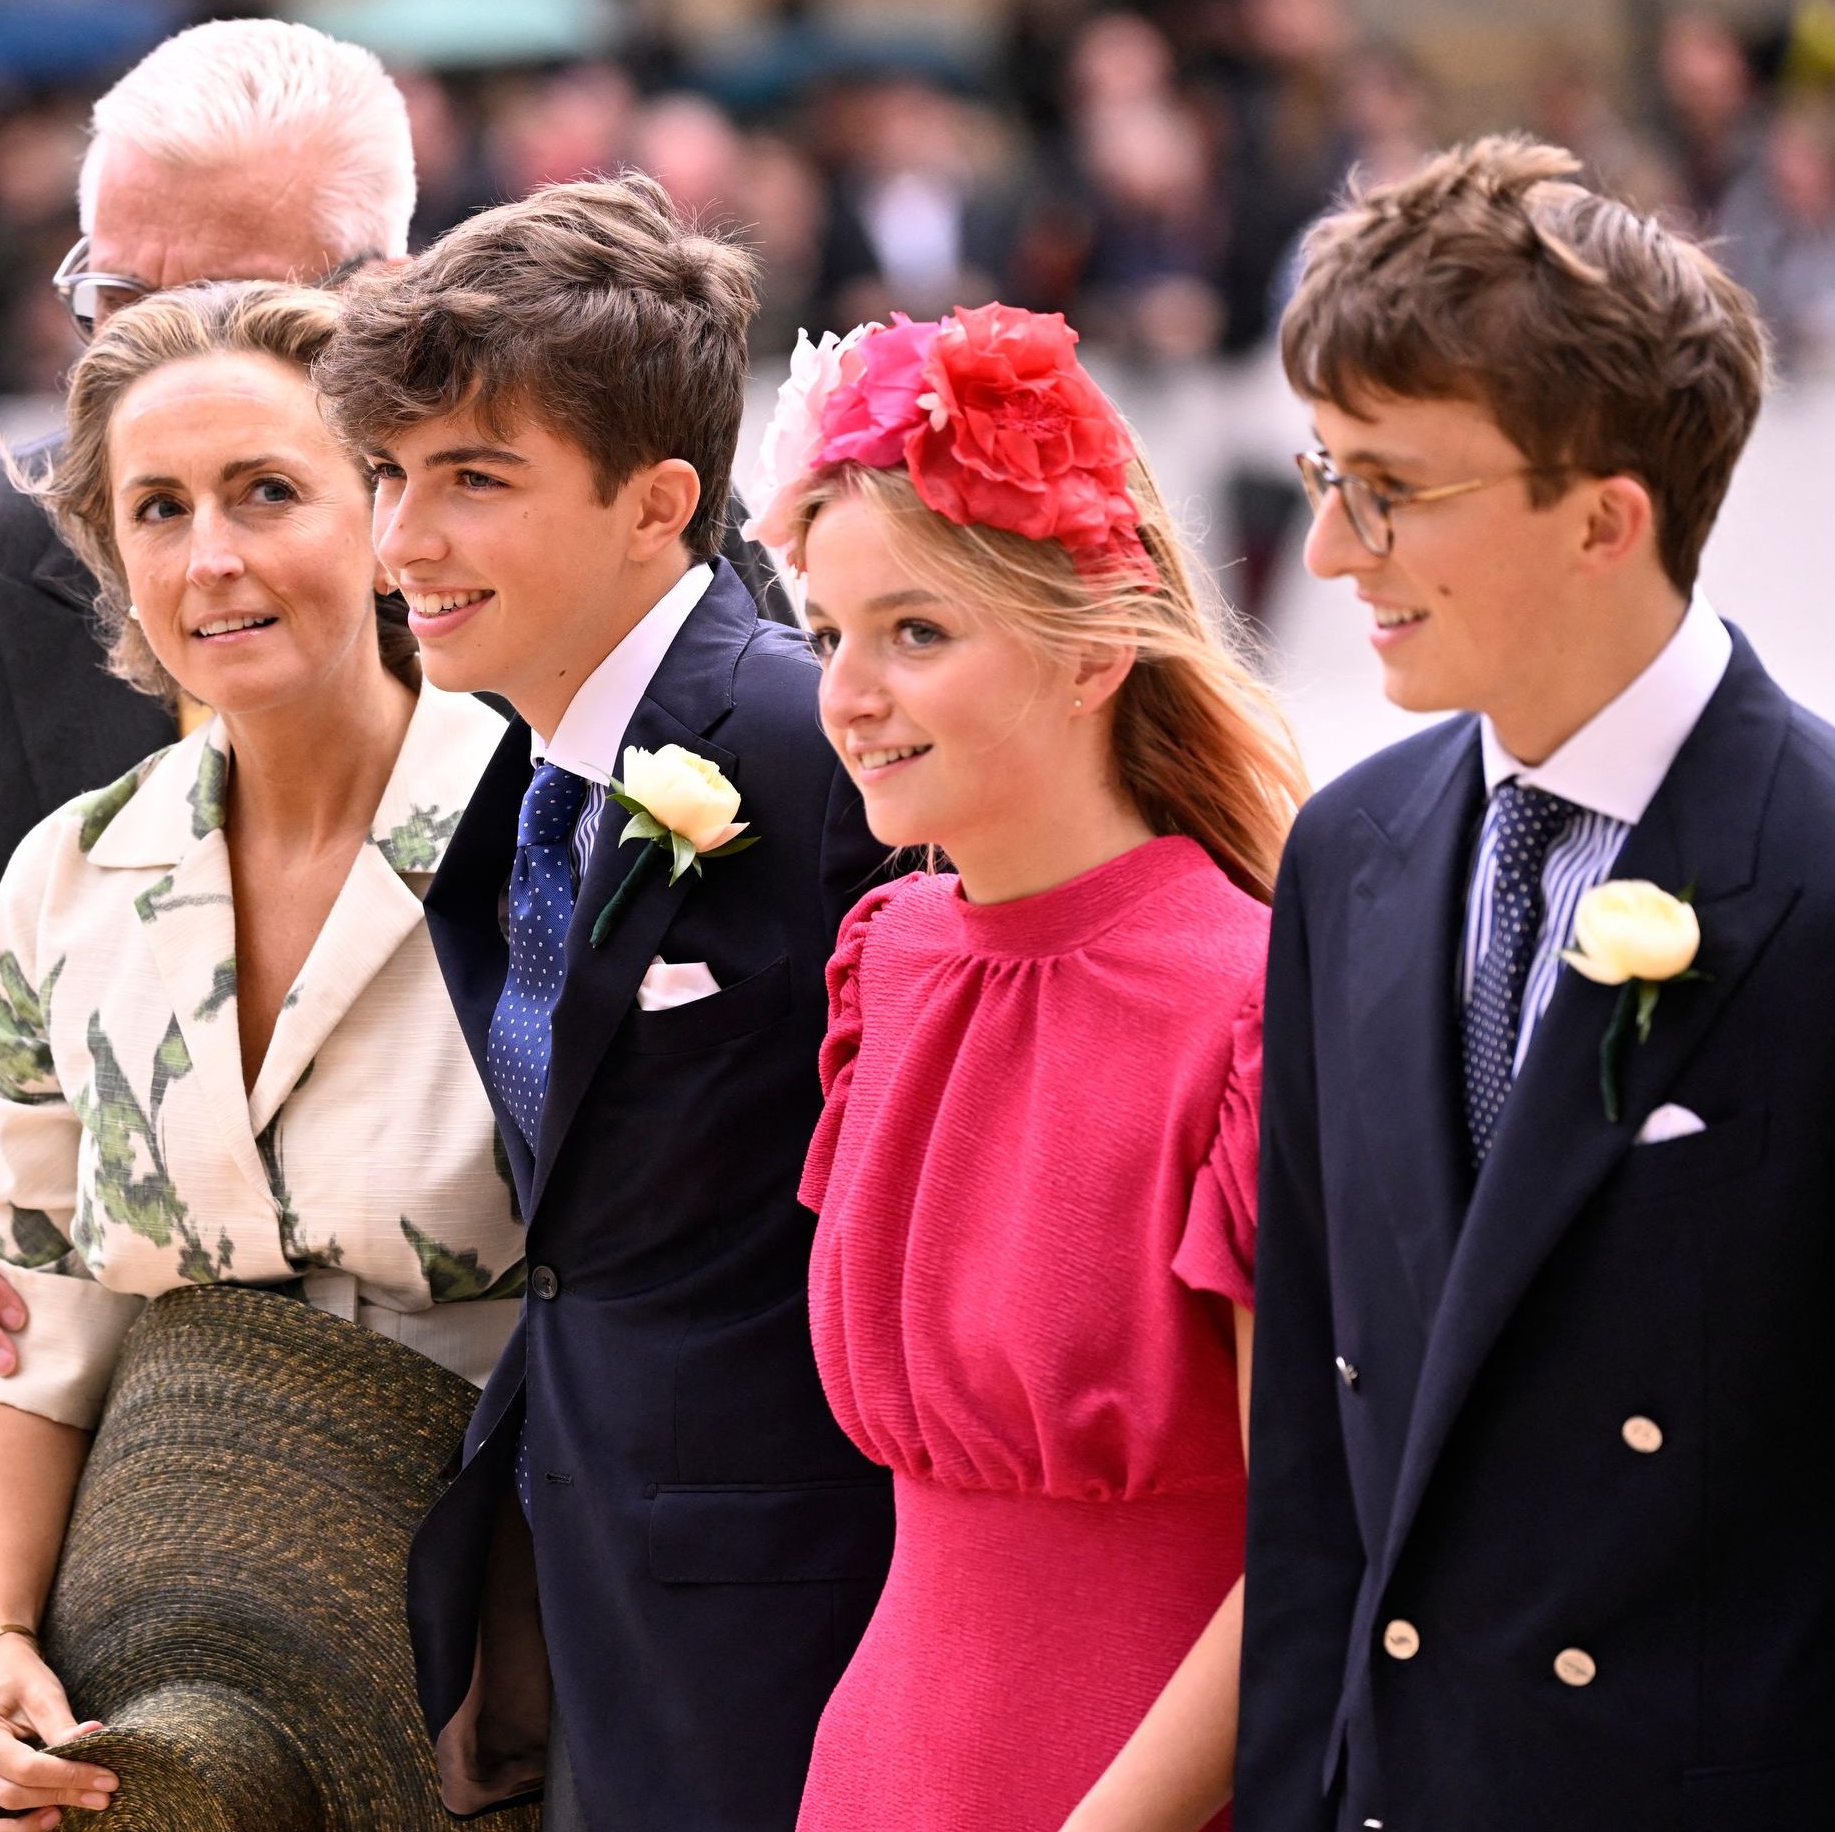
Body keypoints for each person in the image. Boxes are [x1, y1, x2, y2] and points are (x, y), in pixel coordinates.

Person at [0, 16, 419, 1720]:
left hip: (459, 1481)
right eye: (120, 305)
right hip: (73, 1487)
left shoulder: (509, 559)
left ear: (392, 290)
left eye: (242, 304)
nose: (169, 358)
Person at [1236, 138, 1829, 1830]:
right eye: (1322, 472)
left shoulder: (1823, 865)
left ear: (1605, 520)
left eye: (1393, 490)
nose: (1336, 554)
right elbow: (1312, 1477)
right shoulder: (1346, 855)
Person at [318, 173, 894, 1832]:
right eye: (392, 476)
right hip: (585, 1590)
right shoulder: (515, 778)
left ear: (659, 505)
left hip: (804, 1610)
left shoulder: (817, 749)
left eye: (472, 481)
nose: (399, 541)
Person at [0, 280, 525, 1832]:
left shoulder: (551, 834)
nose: (211, 558)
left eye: (268, 491)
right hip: (176, 1658)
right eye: (158, 508)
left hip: (501, 1644)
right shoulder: (65, 879)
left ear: (386, 513)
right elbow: (30, 1293)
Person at [751, 305, 1307, 1832]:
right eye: (828, 635)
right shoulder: (891, 956)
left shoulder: (1251, 1004)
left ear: (1096, 652)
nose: (847, 694)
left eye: (916, 631)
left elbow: (1309, 1529)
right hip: (879, 1768)